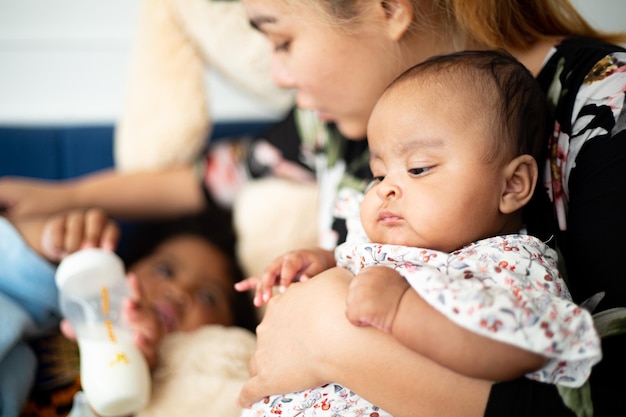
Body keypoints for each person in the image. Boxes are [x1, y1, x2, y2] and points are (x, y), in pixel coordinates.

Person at [0, 1, 625, 416]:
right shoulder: (335, 126)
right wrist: (65, 195)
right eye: (381, 173)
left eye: (283, 38)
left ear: (387, 7)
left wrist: (332, 341)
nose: (276, 73)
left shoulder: (604, 105)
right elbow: (209, 177)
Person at [236, 50, 601, 417]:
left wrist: (400, 310)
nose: (384, 190)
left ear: (511, 185)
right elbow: (356, 270)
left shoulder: (509, 263)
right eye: (379, 175)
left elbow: (517, 348)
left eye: (419, 168)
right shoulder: (386, 244)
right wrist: (322, 261)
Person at [1, 207, 257, 417]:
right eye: (164, 270)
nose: (178, 292)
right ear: (123, 270)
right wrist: (47, 241)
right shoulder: (58, 307)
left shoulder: (175, 400)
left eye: (208, 297)